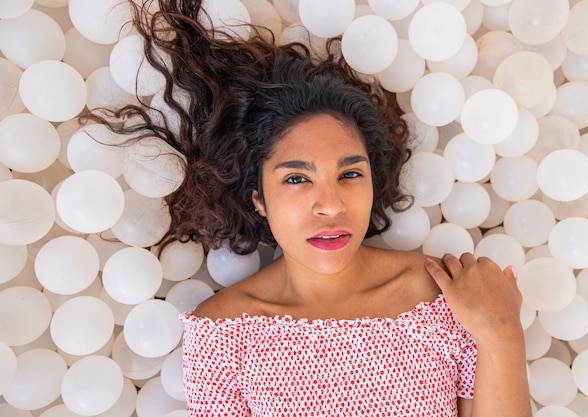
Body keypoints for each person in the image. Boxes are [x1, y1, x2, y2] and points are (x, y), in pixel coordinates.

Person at [93, 1, 531, 416]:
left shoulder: (449, 296)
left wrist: (503, 333)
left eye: (350, 174)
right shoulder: (222, 336)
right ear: (258, 198)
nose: (330, 206)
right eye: (297, 179)